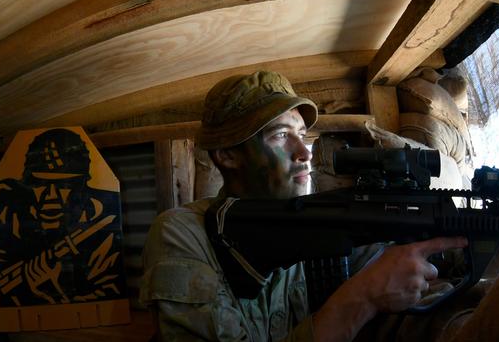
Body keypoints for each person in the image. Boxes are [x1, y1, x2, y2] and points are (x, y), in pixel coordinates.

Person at [139, 71, 467, 341]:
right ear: (227, 155)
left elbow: (404, 283)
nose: (305, 152)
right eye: (281, 136)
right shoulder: (183, 232)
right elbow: (370, 286)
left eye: (302, 133)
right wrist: (362, 297)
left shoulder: (325, 221)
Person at [0, 128, 126, 307]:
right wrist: (27, 282)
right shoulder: (6, 207)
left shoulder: (103, 216)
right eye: (40, 183)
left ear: (81, 186)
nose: (51, 195)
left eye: (63, 185)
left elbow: (108, 292)